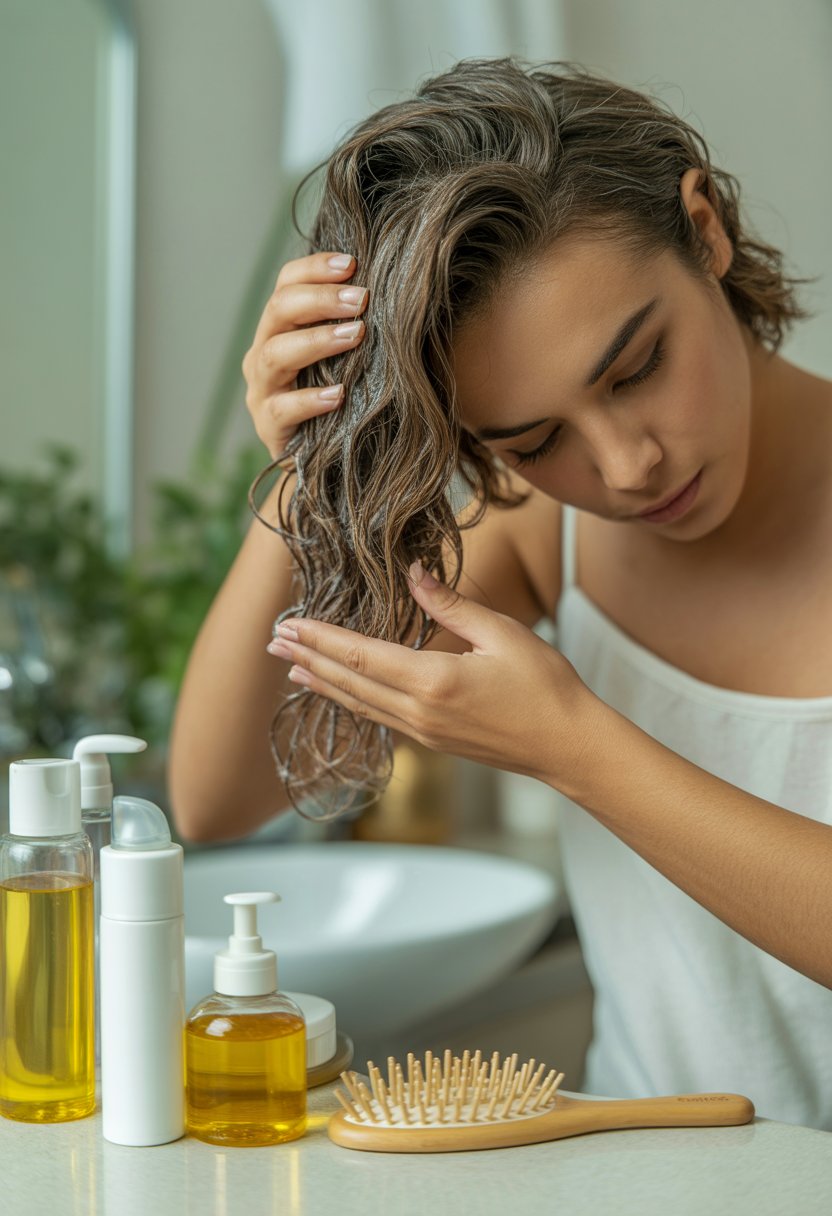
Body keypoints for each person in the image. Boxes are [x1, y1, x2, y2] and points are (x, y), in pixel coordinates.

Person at [168, 59, 832, 1129]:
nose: (624, 467)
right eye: (532, 439)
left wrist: (573, 744)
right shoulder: (545, 531)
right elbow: (222, 794)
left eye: (636, 366)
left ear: (700, 227)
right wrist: (310, 458)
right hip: (653, 1181)